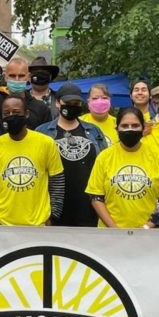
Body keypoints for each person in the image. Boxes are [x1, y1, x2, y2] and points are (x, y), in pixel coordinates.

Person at [0, 95, 64, 226]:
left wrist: (53, 216)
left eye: (16, 112)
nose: (11, 116)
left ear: (26, 114)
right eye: (6, 113)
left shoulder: (46, 143)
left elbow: (57, 181)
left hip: (38, 223)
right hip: (1, 222)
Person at [85, 107, 159, 228]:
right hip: (110, 234)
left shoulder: (158, 157)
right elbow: (96, 197)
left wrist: (147, 227)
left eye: (135, 125)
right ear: (117, 129)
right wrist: (114, 229)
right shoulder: (104, 157)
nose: (130, 129)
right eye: (125, 125)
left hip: (149, 234)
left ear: (143, 128)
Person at [36, 83, 107, 227]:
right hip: (54, 207)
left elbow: (105, 166)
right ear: (57, 103)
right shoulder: (42, 132)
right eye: (68, 103)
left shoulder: (94, 132)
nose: (72, 106)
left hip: (88, 205)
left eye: (76, 103)